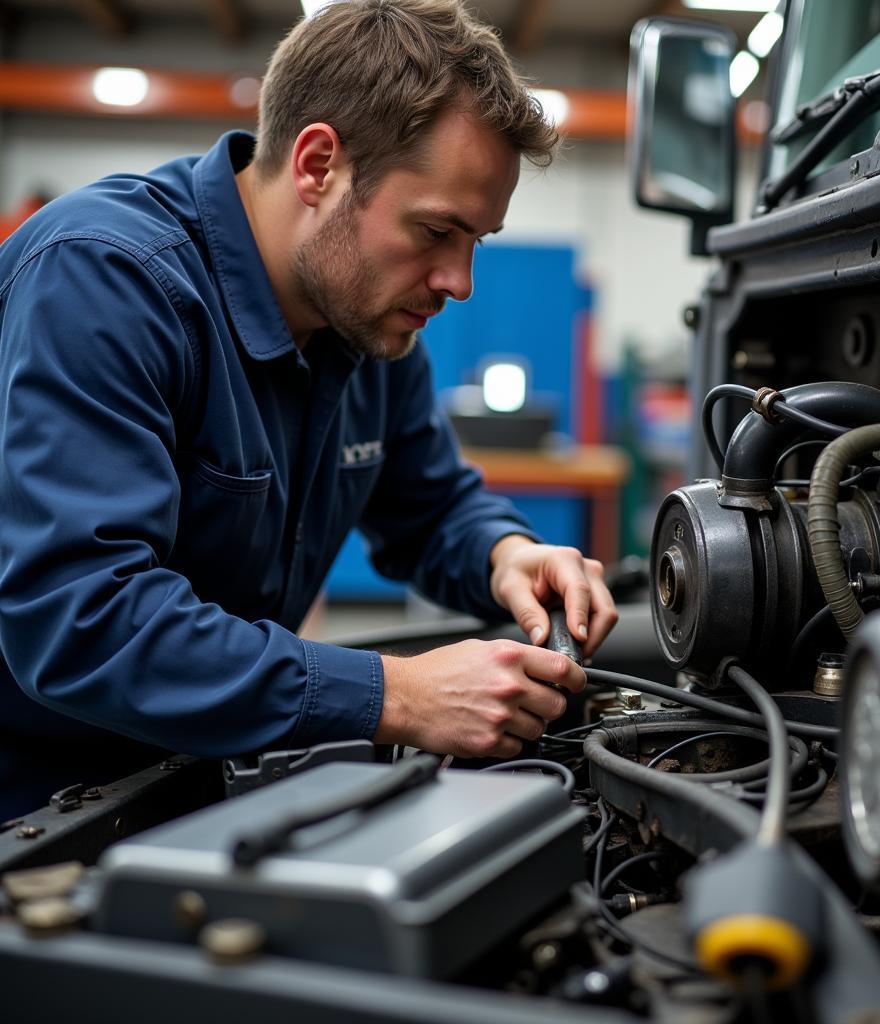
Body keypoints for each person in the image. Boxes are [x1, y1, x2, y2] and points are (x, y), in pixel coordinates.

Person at [0, 0, 618, 820]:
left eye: (477, 241)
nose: (458, 281)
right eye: (435, 230)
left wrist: (505, 553)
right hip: (31, 805)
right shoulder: (106, 281)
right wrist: (394, 693)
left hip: (187, 776)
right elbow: (85, 620)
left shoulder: (365, 326)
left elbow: (431, 504)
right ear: (319, 163)